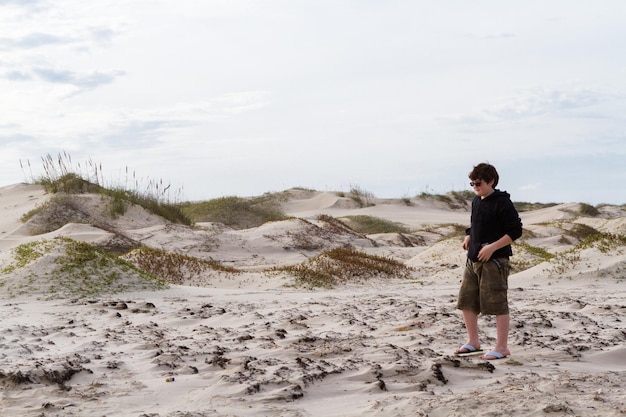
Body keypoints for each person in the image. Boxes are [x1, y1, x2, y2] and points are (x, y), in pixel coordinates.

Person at [455, 162, 523, 360]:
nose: (475, 187)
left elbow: (515, 231)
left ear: (491, 181)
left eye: (479, 183)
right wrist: (469, 236)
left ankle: (501, 347)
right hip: (473, 258)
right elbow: (476, 224)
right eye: (472, 184)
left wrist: (492, 247)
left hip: (495, 261)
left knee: (497, 303)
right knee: (466, 301)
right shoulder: (477, 201)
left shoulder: (502, 202)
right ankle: (473, 342)